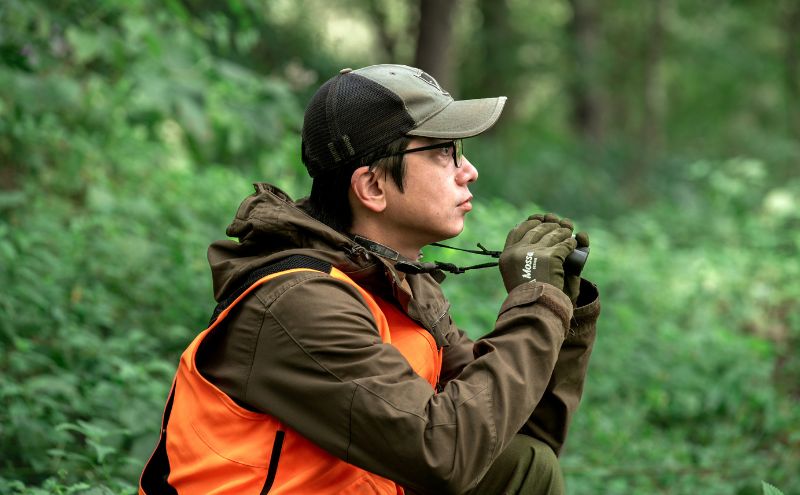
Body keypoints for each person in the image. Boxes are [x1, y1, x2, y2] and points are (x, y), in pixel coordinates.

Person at [139, 64, 600, 495]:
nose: (468, 171)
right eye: (443, 151)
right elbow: (444, 455)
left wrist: (562, 303)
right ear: (373, 187)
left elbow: (510, 431)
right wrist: (533, 300)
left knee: (524, 465)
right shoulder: (299, 303)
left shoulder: (393, 282)